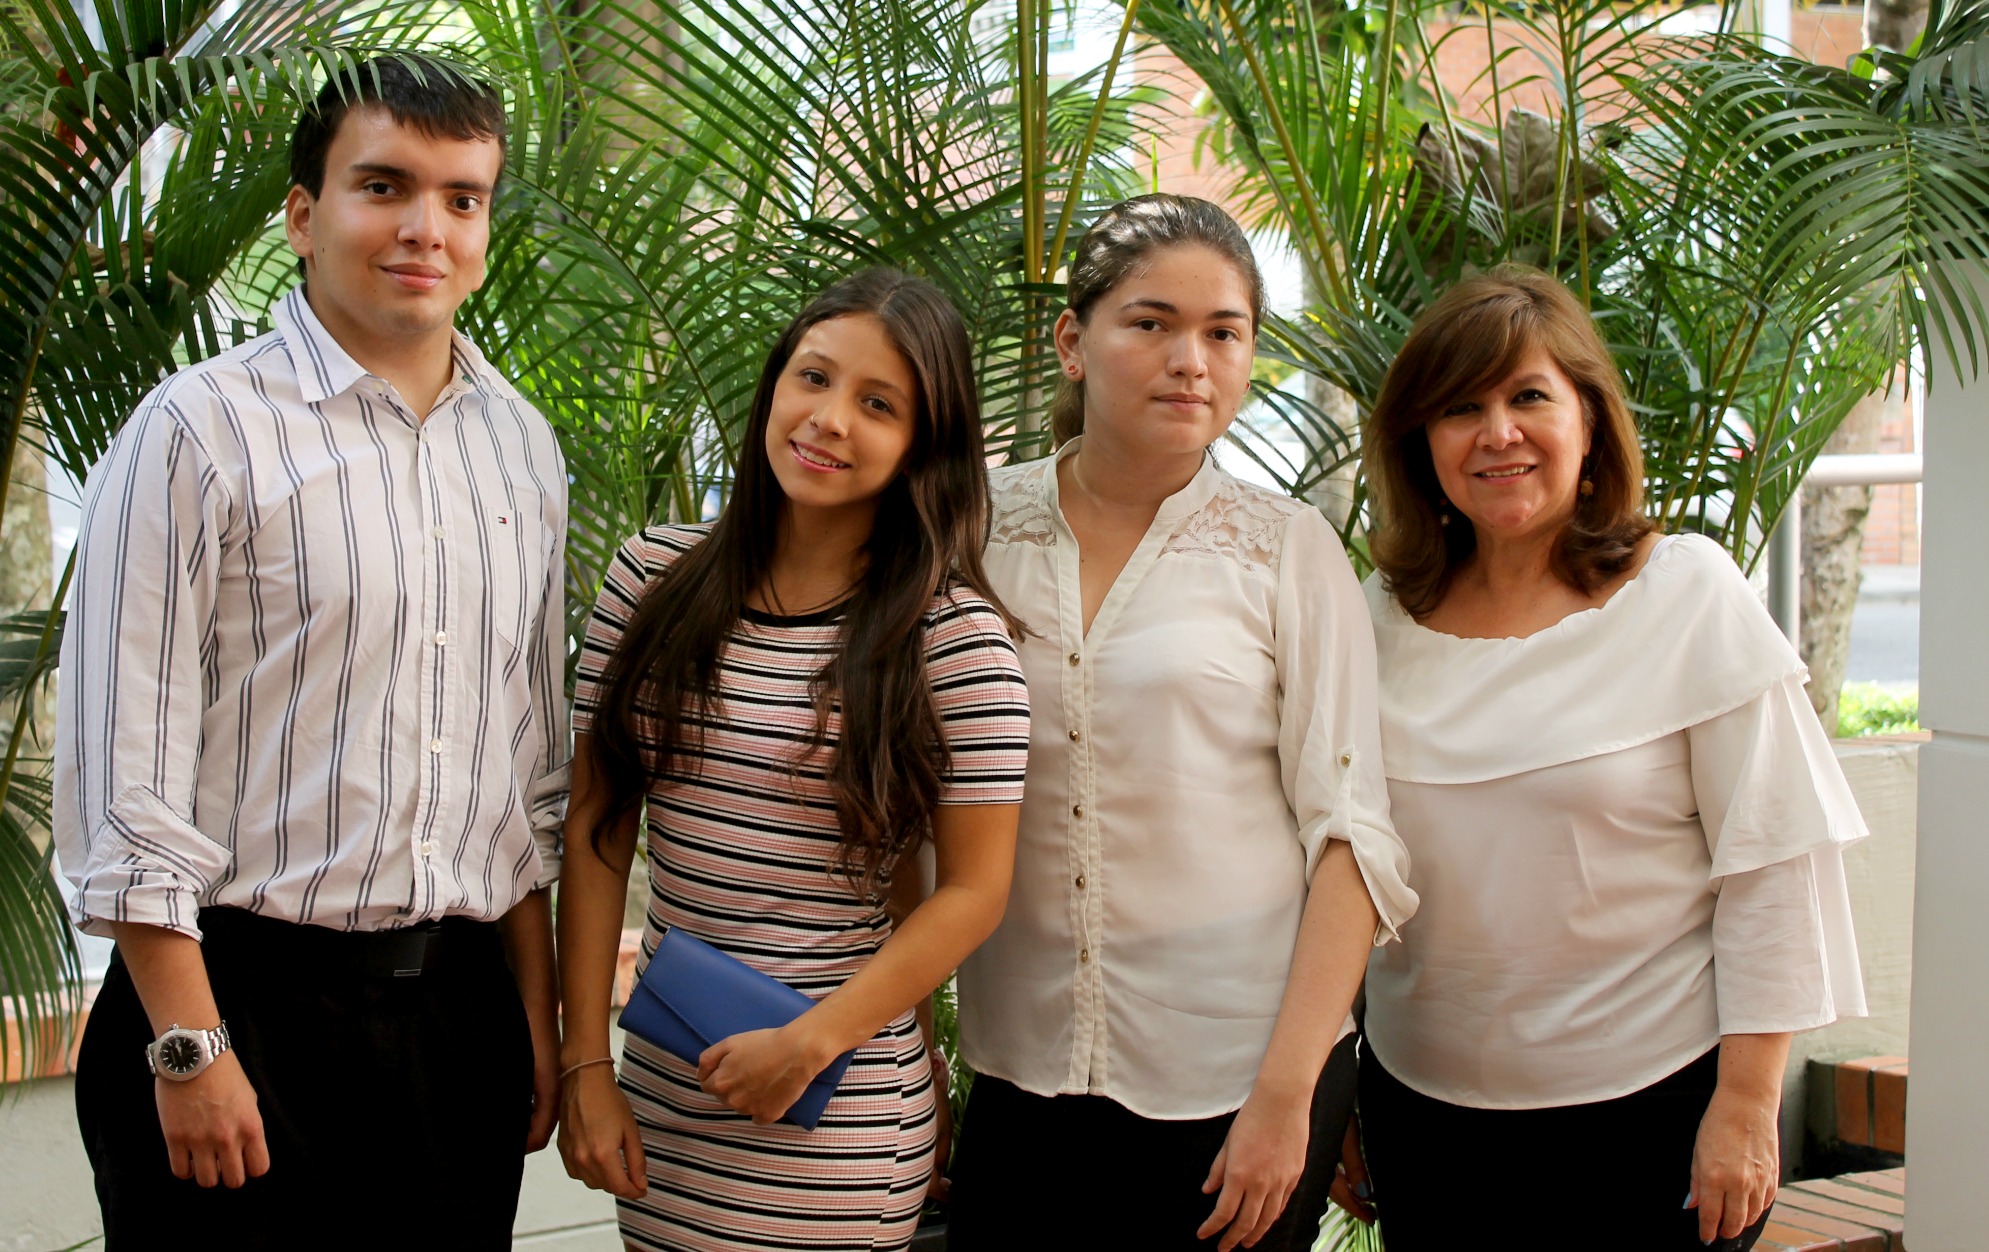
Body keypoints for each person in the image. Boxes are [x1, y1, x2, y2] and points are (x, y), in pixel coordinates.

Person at [54, 56, 568, 1249]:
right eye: (383, 187)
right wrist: (187, 1046)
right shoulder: (195, 430)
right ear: (303, 214)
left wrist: (536, 1019)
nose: (424, 229)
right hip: (240, 1007)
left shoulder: (521, 448)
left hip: (458, 1016)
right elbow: (122, 773)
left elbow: (529, 772)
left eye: (461, 197)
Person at [1349, 266, 1867, 1250]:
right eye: (1461, 406)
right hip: (1423, 1116)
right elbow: (1335, 867)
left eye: (1528, 397)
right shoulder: (1375, 617)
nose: (1496, 432)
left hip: (1654, 1116)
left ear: (1590, 420)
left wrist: (1749, 1104)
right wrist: (1331, 1087)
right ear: (1421, 441)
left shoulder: (1686, 595)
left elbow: (1773, 864)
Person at [948, 194, 1419, 1252]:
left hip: (1237, 1082)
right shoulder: (973, 529)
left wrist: (1287, 1095)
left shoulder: (1286, 548)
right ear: (1073, 341)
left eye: (1223, 333)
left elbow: (1351, 834)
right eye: (1150, 323)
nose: (1189, 359)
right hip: (1020, 1067)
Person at [553, 268, 1030, 1252]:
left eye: (878, 404)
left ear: (922, 447)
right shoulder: (651, 576)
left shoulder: (955, 637)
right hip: (666, 1092)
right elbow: (597, 826)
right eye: (813, 378)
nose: (829, 419)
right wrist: (584, 1069)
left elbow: (974, 892)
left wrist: (808, 1044)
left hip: (837, 1103)